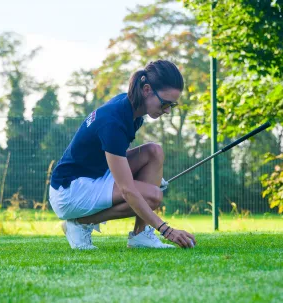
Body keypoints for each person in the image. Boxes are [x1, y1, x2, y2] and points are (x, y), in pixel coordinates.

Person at [49, 60, 196, 250]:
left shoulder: (130, 109)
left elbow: (116, 155)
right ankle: (80, 223)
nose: (167, 110)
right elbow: (127, 190)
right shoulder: (113, 121)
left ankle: (140, 236)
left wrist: (149, 177)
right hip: (69, 191)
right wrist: (166, 230)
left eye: (172, 105)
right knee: (153, 196)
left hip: (94, 177)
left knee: (154, 152)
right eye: (165, 103)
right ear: (147, 89)